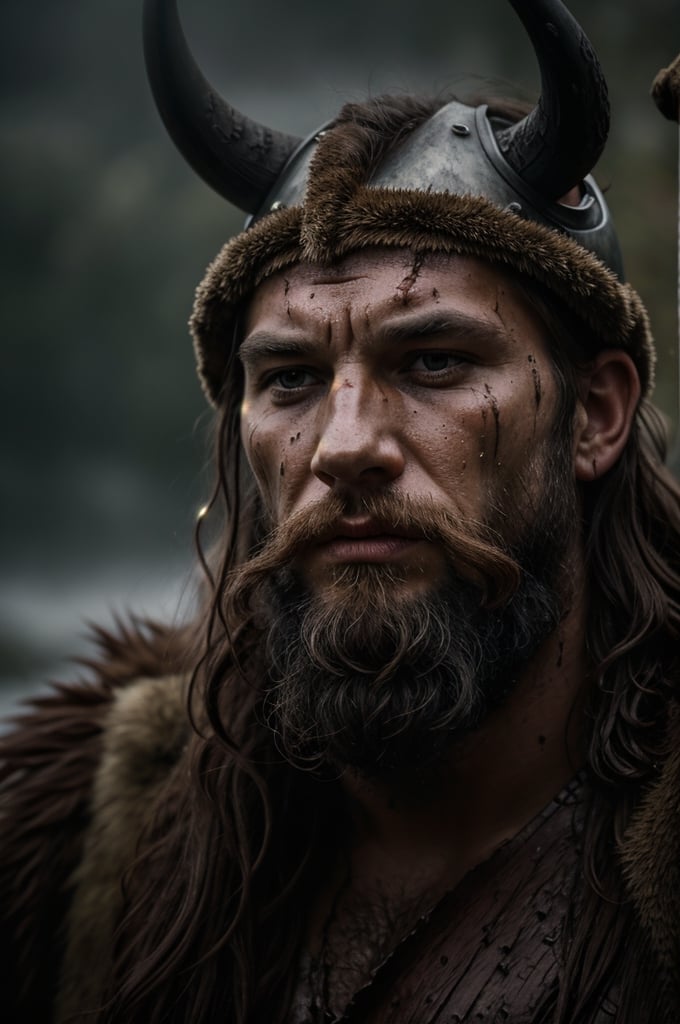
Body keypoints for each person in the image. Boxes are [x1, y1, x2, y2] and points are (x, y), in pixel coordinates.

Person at [2, 0, 680, 1021]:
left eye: (434, 360)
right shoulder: (79, 854)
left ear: (593, 413)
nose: (343, 442)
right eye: (289, 377)